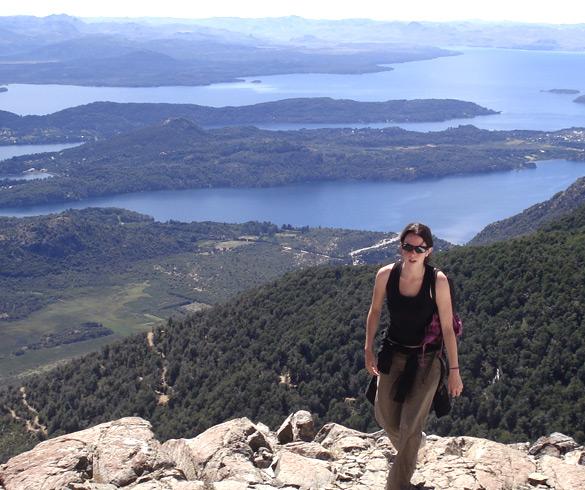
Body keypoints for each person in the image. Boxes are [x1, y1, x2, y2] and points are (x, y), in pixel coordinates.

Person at [364, 222, 463, 490]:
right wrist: (368, 348)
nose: (412, 252)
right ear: (401, 247)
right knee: (384, 415)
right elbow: (374, 312)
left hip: (426, 359)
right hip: (393, 352)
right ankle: (414, 444)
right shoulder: (386, 275)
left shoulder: (437, 281)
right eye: (408, 246)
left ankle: (397, 485)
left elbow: (447, 329)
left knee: (409, 426)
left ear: (428, 251)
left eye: (419, 248)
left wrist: (454, 371)